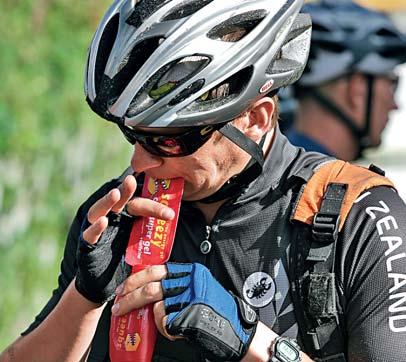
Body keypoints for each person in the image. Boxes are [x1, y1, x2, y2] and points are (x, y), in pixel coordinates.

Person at [1, 0, 406, 361]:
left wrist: (249, 342)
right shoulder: (116, 217)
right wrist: (86, 296)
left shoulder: (359, 218)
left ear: (254, 119)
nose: (138, 163)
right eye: (133, 136)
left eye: (170, 142)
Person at [285, 0, 406, 161]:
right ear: (357, 89)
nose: (395, 105)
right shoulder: (330, 182)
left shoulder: (277, 167)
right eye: (392, 84)